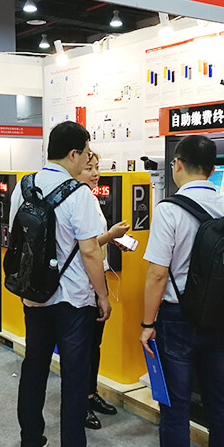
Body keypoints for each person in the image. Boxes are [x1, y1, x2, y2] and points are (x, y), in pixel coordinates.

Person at [136, 135, 224, 447]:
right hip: (220, 317)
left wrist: (147, 323)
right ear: (211, 169)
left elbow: (157, 274)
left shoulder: (169, 209)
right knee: (219, 401)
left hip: (177, 319)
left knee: (175, 408)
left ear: (178, 164)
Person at [8, 121, 111, 447]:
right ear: (73, 154)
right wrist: (102, 295)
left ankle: (30, 442)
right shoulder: (78, 194)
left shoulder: (23, 186)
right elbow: (90, 251)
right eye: (86, 152)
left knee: (34, 367)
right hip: (72, 301)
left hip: (34, 296)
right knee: (74, 375)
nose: (86, 159)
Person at [75, 152, 130, 430]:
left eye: (97, 168)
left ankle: (90, 393)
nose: (95, 174)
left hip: (98, 278)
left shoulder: (92, 199)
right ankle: (79, 404)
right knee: (82, 347)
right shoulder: (76, 200)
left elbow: (95, 241)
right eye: (89, 168)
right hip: (82, 283)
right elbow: (84, 245)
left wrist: (112, 240)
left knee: (94, 344)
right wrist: (110, 236)